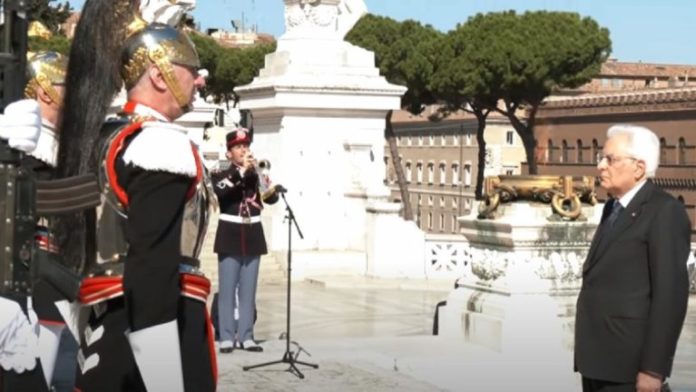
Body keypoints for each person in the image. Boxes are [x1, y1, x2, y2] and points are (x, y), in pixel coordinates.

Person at [52, 1, 215, 391]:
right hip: (150, 334)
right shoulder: (160, 144)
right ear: (160, 76)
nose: (201, 80)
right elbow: (153, 267)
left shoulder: (105, 136)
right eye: (191, 71)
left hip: (104, 328)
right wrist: (163, 378)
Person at [575, 124, 691, 392]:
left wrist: (653, 369)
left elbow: (670, 295)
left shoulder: (664, 211)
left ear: (639, 168)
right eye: (601, 158)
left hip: (629, 365)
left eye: (610, 159)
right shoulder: (612, 208)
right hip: (596, 360)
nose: (601, 166)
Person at [213, 129, 281, 353]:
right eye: (238, 147)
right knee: (227, 288)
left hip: (252, 233)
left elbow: (272, 199)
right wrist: (241, 172)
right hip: (230, 232)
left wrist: (261, 176)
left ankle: (247, 335)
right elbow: (220, 191)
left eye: (245, 146)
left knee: (248, 289)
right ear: (229, 153)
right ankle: (226, 336)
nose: (243, 150)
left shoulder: (255, 173)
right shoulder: (221, 172)